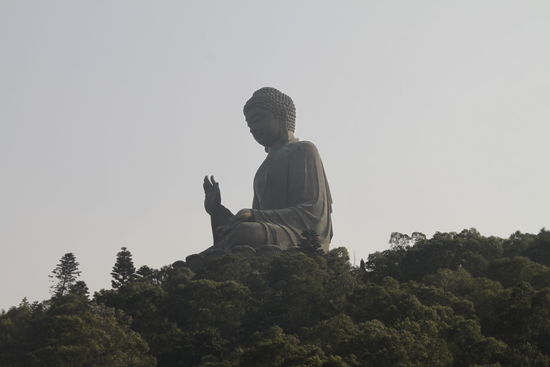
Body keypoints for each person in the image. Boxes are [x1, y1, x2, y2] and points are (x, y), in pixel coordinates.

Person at [200, 87, 332, 256]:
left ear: (282, 115)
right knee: (238, 234)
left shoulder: (304, 150)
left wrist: (255, 215)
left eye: (257, 120)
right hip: (268, 232)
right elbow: (253, 218)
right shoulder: (262, 169)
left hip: (300, 236)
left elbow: (313, 214)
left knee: (246, 233)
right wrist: (216, 210)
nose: (252, 129)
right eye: (249, 125)